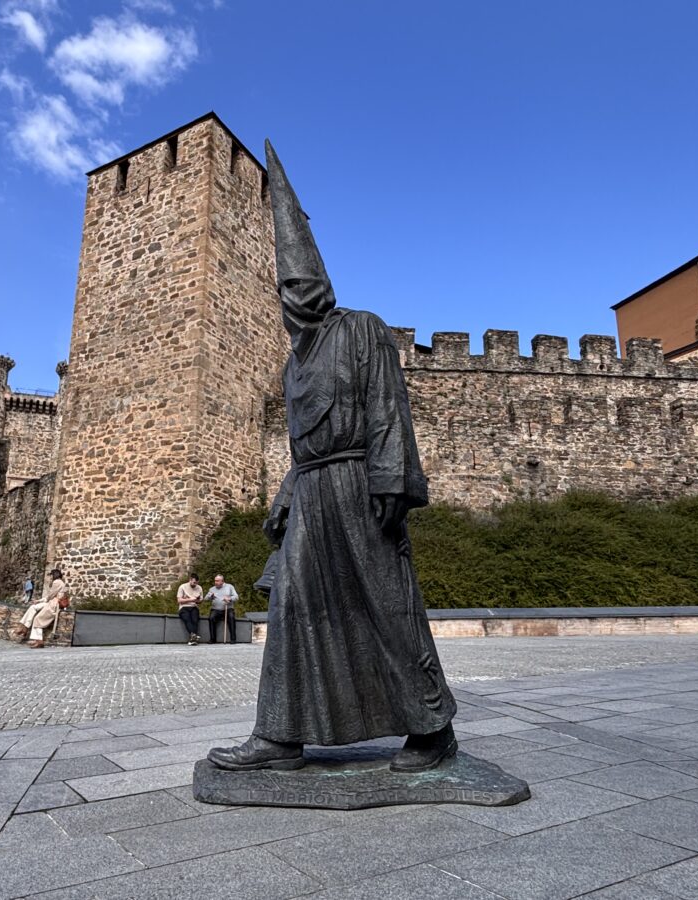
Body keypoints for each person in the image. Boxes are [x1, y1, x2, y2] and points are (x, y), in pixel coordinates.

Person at [208, 142, 457, 774]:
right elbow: (298, 450)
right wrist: (285, 496)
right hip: (313, 493)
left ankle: (432, 728)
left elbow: (387, 407)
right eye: (287, 286)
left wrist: (391, 479)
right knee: (293, 610)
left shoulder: (363, 329)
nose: (298, 293)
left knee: (385, 601)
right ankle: (280, 735)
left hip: (359, 485)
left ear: (323, 280)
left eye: (305, 281)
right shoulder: (293, 364)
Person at [10, 568, 68, 648]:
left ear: (53, 575)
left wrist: (40, 600)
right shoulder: (59, 582)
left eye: (51, 575)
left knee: (38, 619)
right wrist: (38, 601)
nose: (50, 577)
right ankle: (25, 627)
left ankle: (39, 641)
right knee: (33, 607)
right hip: (51, 602)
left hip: (53, 604)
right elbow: (50, 597)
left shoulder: (57, 582)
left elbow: (50, 596)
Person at [205, 574, 238, 644]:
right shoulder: (212, 589)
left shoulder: (229, 587)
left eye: (217, 581)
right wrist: (210, 597)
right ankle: (213, 639)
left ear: (222, 581)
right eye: (215, 581)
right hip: (216, 609)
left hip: (228, 608)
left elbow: (236, 597)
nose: (215, 582)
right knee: (211, 618)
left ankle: (233, 639)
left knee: (231, 617)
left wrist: (229, 598)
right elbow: (206, 598)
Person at [176, 574, 203, 645]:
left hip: (194, 606)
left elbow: (200, 601)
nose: (195, 584)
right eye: (194, 583)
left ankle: (193, 638)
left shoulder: (199, 588)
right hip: (184, 607)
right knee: (187, 618)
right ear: (190, 580)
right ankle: (194, 636)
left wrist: (197, 600)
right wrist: (190, 599)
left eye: (196, 583)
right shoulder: (182, 587)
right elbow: (179, 600)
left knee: (195, 619)